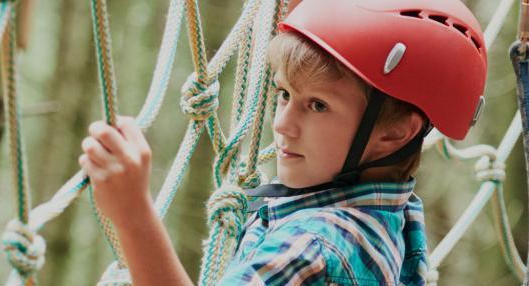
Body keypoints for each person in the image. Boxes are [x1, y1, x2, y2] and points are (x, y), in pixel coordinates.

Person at [77, 0, 488, 284]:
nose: (283, 124)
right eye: (285, 95)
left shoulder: (314, 246)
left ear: (396, 132)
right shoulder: (390, 209)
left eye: (318, 106)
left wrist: (133, 216)